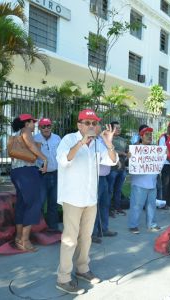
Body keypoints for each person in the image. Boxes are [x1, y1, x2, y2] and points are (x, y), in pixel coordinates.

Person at [55, 109, 118, 295]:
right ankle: (63, 278)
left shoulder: (99, 143)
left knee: (86, 237)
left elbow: (112, 161)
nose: (92, 126)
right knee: (69, 239)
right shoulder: (67, 139)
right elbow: (63, 159)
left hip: (90, 199)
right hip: (72, 198)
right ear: (79, 125)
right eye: (87, 123)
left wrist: (109, 144)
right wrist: (81, 143)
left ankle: (82, 269)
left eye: (94, 123)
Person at [10, 114, 48, 252]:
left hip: (17, 172)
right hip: (26, 172)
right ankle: (25, 240)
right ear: (27, 123)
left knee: (22, 204)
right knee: (34, 204)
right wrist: (44, 159)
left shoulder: (20, 132)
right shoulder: (26, 131)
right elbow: (31, 145)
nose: (34, 125)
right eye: (33, 122)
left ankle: (19, 238)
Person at [128, 127, 161, 234]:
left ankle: (152, 224)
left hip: (152, 183)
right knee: (137, 205)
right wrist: (129, 157)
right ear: (141, 136)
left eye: (151, 134)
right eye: (147, 134)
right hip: (139, 183)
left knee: (151, 206)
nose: (149, 136)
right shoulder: (135, 149)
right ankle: (133, 225)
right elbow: (128, 164)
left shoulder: (155, 149)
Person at [92, 124, 118, 244]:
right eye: (98, 126)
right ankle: (93, 233)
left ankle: (104, 229)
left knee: (104, 204)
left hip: (104, 178)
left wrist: (108, 139)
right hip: (94, 178)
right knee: (94, 207)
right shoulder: (92, 142)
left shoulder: (102, 141)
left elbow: (111, 155)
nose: (101, 129)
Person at [34, 118, 61, 231]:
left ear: (51, 127)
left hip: (56, 173)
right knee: (40, 202)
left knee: (53, 202)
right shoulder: (35, 139)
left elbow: (61, 154)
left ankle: (53, 227)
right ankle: (39, 229)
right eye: (43, 126)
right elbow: (32, 156)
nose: (46, 128)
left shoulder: (57, 138)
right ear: (39, 128)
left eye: (48, 126)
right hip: (41, 175)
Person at [107, 121, 128, 216]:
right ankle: (109, 209)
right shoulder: (108, 139)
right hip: (112, 169)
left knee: (118, 190)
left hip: (122, 169)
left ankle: (117, 207)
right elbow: (108, 149)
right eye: (116, 128)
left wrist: (129, 153)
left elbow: (127, 151)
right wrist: (122, 153)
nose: (119, 129)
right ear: (111, 129)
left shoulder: (123, 140)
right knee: (110, 190)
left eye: (119, 128)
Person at [159, 122, 170, 208]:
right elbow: (161, 150)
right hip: (166, 164)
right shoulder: (163, 137)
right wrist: (169, 160)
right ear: (168, 128)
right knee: (165, 184)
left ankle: (169, 202)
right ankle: (163, 203)